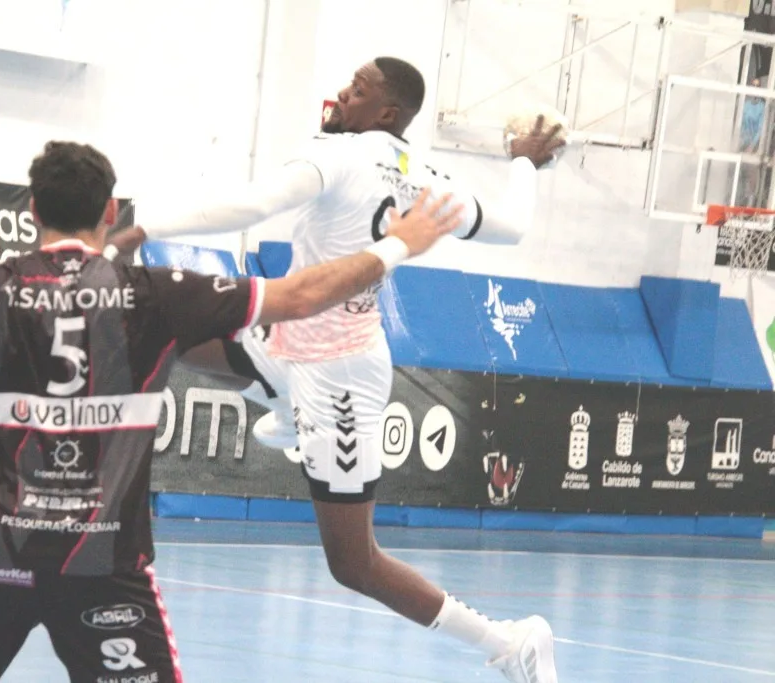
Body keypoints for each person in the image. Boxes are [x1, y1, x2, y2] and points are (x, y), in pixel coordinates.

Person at [0, 140, 463, 683]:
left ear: (31, 211)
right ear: (109, 214)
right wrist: (400, 242)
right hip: (103, 566)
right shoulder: (156, 291)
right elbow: (303, 295)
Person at [108, 57, 564, 682]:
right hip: (287, 341)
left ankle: (511, 642)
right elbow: (511, 227)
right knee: (165, 325)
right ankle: (283, 402)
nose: (342, 94)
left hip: (339, 376)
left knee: (354, 563)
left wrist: (144, 227)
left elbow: (253, 204)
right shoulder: (431, 180)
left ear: (386, 112)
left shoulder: (338, 156)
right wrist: (523, 162)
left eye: (358, 89)